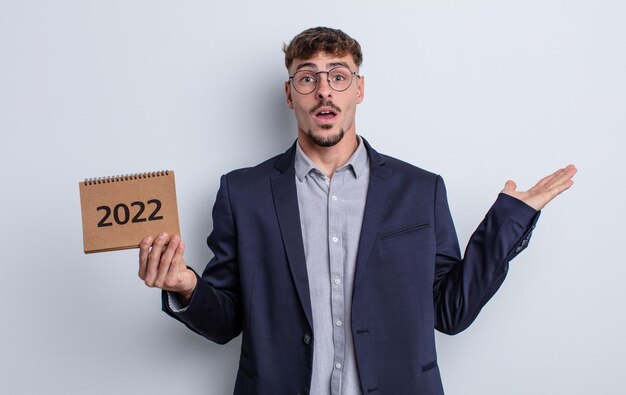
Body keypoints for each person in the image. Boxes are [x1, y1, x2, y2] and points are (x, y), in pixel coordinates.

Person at [138, 27, 576, 395]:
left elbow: (450, 311)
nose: (324, 89)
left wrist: (505, 224)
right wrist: (185, 286)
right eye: (307, 78)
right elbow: (225, 321)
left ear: (359, 89)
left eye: (339, 76)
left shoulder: (420, 190)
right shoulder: (242, 193)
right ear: (290, 95)